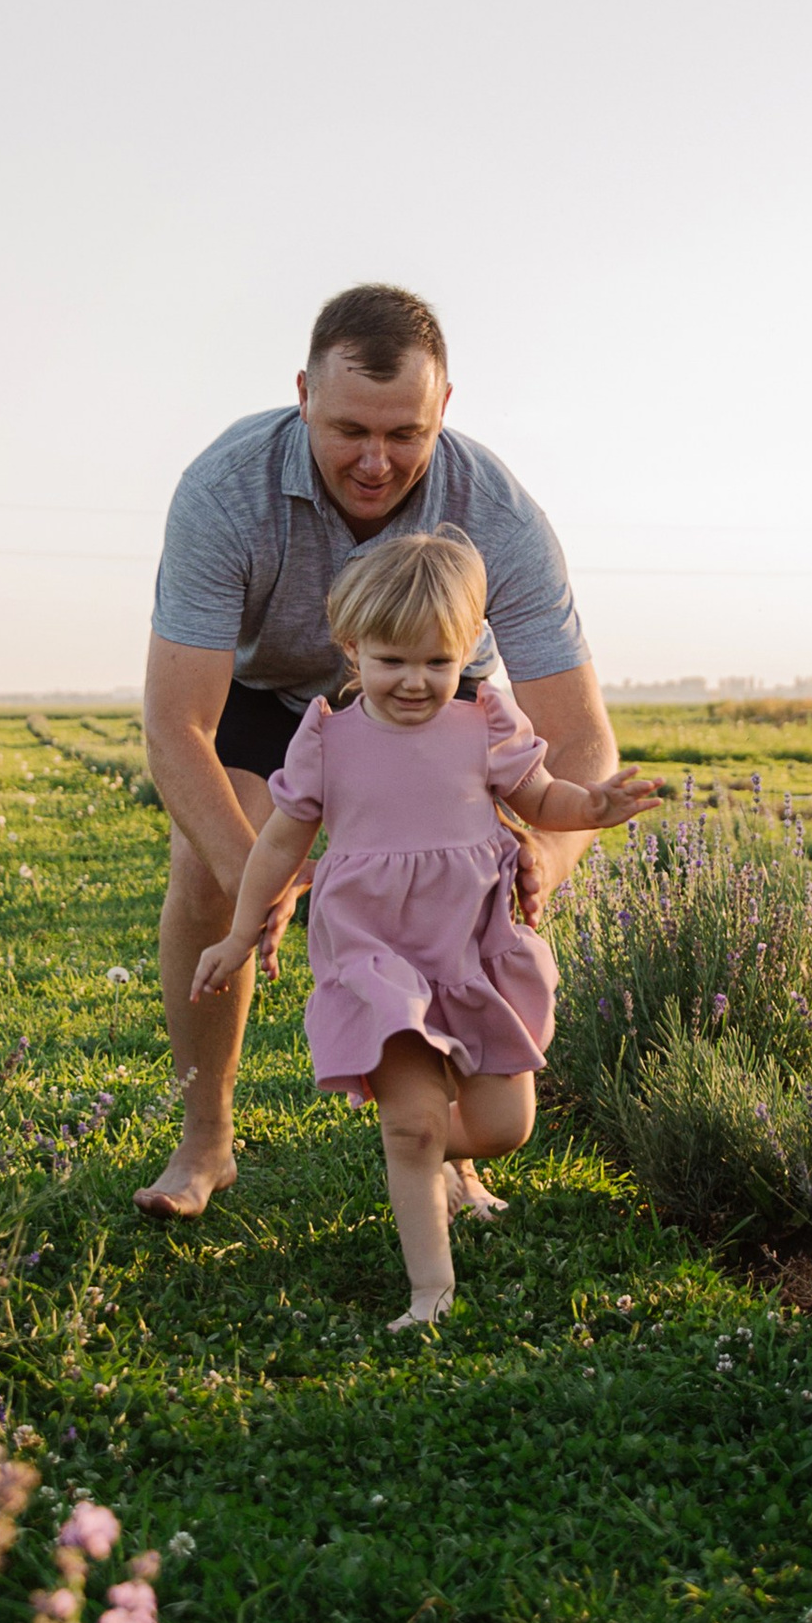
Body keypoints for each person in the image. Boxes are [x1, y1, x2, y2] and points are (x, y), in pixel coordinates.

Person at [139, 281, 620, 1217]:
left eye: (405, 435)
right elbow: (175, 729)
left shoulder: (499, 513)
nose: (375, 460)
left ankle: (450, 1150)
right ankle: (206, 1142)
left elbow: (583, 738)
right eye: (350, 429)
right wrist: (261, 886)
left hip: (430, 694)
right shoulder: (223, 490)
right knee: (205, 874)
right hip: (267, 696)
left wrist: (538, 867)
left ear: (445, 409)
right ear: (303, 396)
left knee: (461, 893)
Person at [191, 530, 658, 1325]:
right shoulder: (329, 739)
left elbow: (541, 798)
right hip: (376, 956)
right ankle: (429, 1289)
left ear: (469, 650)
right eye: (392, 661)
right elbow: (280, 840)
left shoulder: (483, 723)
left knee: (504, 1126)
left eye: (437, 663)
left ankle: (440, 1162)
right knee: (410, 1123)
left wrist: (593, 806)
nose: (415, 682)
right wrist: (239, 931)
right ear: (353, 648)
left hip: (474, 949)